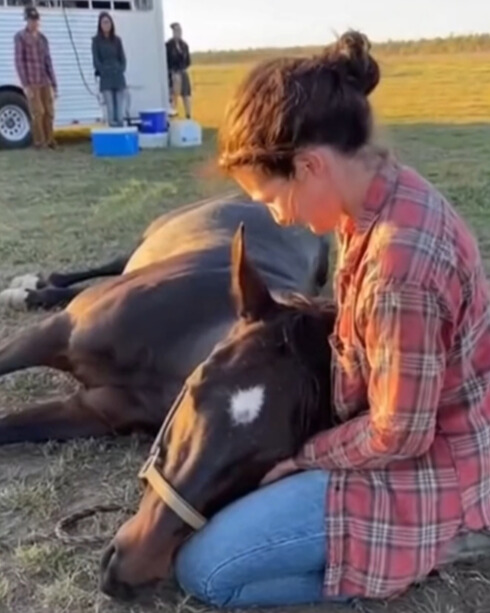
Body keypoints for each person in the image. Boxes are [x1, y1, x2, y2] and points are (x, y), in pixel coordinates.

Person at [173, 31, 490, 609]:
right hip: (417, 428)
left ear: (310, 165)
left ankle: (432, 548)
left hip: (439, 469)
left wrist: (302, 458)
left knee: (207, 572)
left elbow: (400, 434)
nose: (277, 216)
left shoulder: (399, 267)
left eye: (271, 198)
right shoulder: (373, 199)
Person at [14, 6, 58, 149]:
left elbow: (48, 61)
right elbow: (19, 62)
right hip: (32, 81)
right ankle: (40, 142)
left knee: (49, 111)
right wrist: (25, 84)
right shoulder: (20, 37)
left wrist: (54, 83)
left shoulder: (43, 39)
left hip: (45, 80)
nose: (34, 23)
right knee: (38, 112)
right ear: (27, 20)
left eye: (36, 20)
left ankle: (50, 140)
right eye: (31, 20)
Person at [92, 12, 127, 128]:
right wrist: (102, 71)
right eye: (104, 22)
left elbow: (122, 58)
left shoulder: (117, 40)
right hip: (106, 78)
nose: (106, 25)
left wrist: (121, 69)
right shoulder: (96, 41)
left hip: (118, 76)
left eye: (108, 22)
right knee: (110, 109)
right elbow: (96, 60)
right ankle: (112, 129)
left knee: (120, 110)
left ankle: (120, 128)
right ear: (100, 25)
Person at [166, 22, 192, 118]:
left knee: (187, 95)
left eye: (179, 30)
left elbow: (188, 61)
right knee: (174, 94)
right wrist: (172, 71)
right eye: (176, 31)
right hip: (173, 73)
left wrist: (183, 68)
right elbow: (167, 61)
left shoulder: (184, 45)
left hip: (183, 72)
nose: (178, 32)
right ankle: (173, 112)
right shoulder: (168, 45)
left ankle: (188, 115)